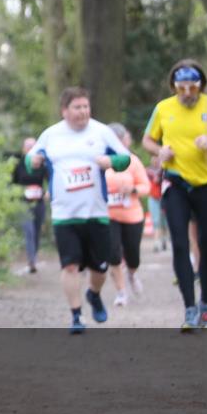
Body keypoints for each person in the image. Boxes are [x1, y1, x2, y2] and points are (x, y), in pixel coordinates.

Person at [142, 59, 207, 330]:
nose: (187, 93)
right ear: (174, 86)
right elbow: (147, 140)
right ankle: (189, 309)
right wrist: (159, 151)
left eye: (192, 88)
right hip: (175, 183)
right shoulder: (163, 108)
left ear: (201, 86)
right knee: (179, 244)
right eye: (181, 88)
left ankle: (206, 305)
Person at [26, 87, 131, 333]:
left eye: (86, 106)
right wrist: (34, 162)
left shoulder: (101, 132)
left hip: (96, 212)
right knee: (70, 266)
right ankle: (76, 315)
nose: (83, 111)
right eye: (77, 107)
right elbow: (30, 161)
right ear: (64, 111)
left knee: (100, 268)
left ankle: (94, 294)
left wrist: (111, 161)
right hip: (64, 214)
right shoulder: (51, 135)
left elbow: (125, 158)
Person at [105, 123, 150, 305]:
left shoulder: (132, 161)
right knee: (113, 254)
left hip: (132, 215)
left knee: (133, 256)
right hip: (108, 215)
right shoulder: (101, 161)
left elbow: (146, 187)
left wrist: (132, 189)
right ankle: (121, 292)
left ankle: (132, 274)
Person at [12, 137, 48, 274]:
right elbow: (12, 183)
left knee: (36, 231)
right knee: (29, 231)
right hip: (23, 203)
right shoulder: (18, 164)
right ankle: (31, 261)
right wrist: (19, 193)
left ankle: (34, 258)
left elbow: (50, 180)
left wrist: (47, 192)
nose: (31, 149)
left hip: (38, 202)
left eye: (33, 147)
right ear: (23, 149)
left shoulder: (42, 164)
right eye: (28, 147)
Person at [146, 157, 169, 252]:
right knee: (156, 220)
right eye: (153, 159)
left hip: (164, 198)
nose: (155, 161)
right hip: (153, 198)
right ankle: (156, 242)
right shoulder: (148, 171)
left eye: (157, 159)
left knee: (164, 222)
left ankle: (164, 239)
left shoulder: (164, 171)